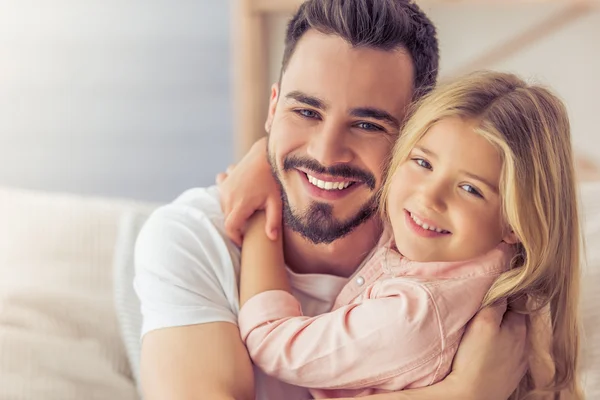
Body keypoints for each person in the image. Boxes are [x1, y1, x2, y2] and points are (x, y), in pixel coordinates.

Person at [134, 1, 528, 399]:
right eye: (306, 111)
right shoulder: (193, 237)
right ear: (273, 108)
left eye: (366, 125)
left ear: (416, 134)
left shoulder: (460, 250)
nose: (326, 154)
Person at [232, 71, 581, 399]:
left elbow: (272, 342)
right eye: (423, 163)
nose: (429, 197)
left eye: (470, 189)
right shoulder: (473, 253)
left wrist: (262, 212)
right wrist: (264, 155)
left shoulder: (417, 314)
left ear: (515, 224)